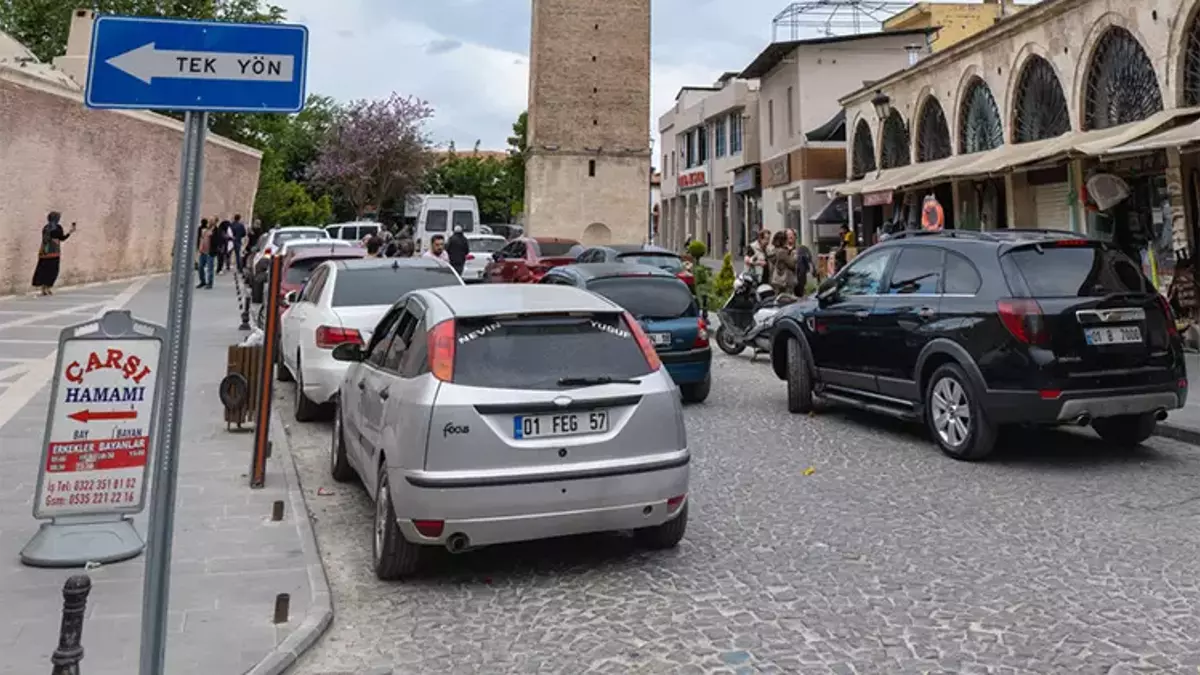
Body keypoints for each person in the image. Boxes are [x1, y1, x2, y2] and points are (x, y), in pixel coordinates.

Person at [32, 212, 76, 296]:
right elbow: (62, 238)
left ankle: (43, 289)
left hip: (44, 253)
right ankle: (48, 288)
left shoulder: (45, 228)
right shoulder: (58, 228)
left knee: (43, 271)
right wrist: (70, 232)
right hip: (54, 253)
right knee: (52, 271)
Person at [768, 231, 797, 297]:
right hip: (784, 281)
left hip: (775, 279)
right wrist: (793, 256)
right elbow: (792, 264)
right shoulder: (782, 252)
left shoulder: (773, 251)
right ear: (783, 241)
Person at [790, 229, 813, 296]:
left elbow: (810, 264)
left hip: (801, 282)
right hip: (788, 284)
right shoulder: (782, 251)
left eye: (792, 236)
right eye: (788, 236)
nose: (790, 238)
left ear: (796, 237)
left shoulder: (803, 249)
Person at [196, 221, 215, 289]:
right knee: (200, 267)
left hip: (210, 252)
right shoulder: (203, 231)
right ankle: (203, 281)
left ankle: (210, 283)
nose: (209, 224)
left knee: (210, 269)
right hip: (203, 252)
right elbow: (201, 239)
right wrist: (200, 248)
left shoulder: (213, 232)